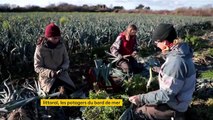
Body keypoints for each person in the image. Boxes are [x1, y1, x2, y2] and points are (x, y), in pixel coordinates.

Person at [129, 23, 196, 120]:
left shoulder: (176, 61)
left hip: (174, 107)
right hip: (178, 100)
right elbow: (177, 76)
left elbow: (166, 95)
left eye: (156, 43)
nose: (156, 46)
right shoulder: (180, 52)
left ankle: (176, 117)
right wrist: (161, 71)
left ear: (164, 42)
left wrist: (140, 98)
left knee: (138, 113)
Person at [34, 23, 76, 95]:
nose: (57, 40)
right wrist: (50, 73)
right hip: (47, 78)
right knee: (53, 94)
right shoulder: (40, 49)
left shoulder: (61, 46)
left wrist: (62, 68)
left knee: (71, 91)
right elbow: (37, 67)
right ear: (48, 37)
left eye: (58, 37)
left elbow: (66, 61)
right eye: (55, 38)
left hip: (62, 75)